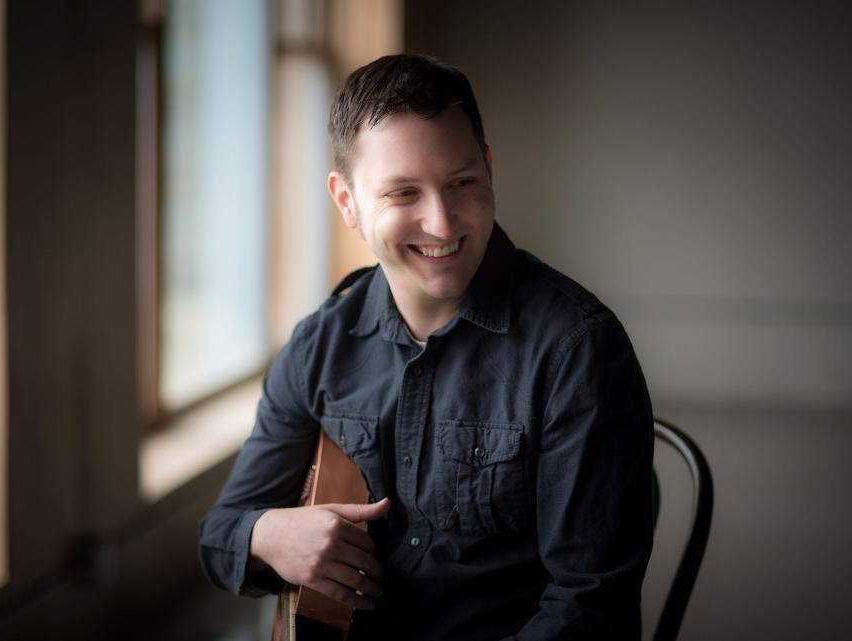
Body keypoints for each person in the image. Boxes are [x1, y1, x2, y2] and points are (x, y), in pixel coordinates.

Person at [198, 53, 654, 641]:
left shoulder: (579, 349)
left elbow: (591, 608)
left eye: (462, 182)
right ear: (347, 203)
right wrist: (268, 535)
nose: (441, 223)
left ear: (488, 169)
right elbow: (219, 538)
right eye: (403, 193)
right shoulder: (320, 344)